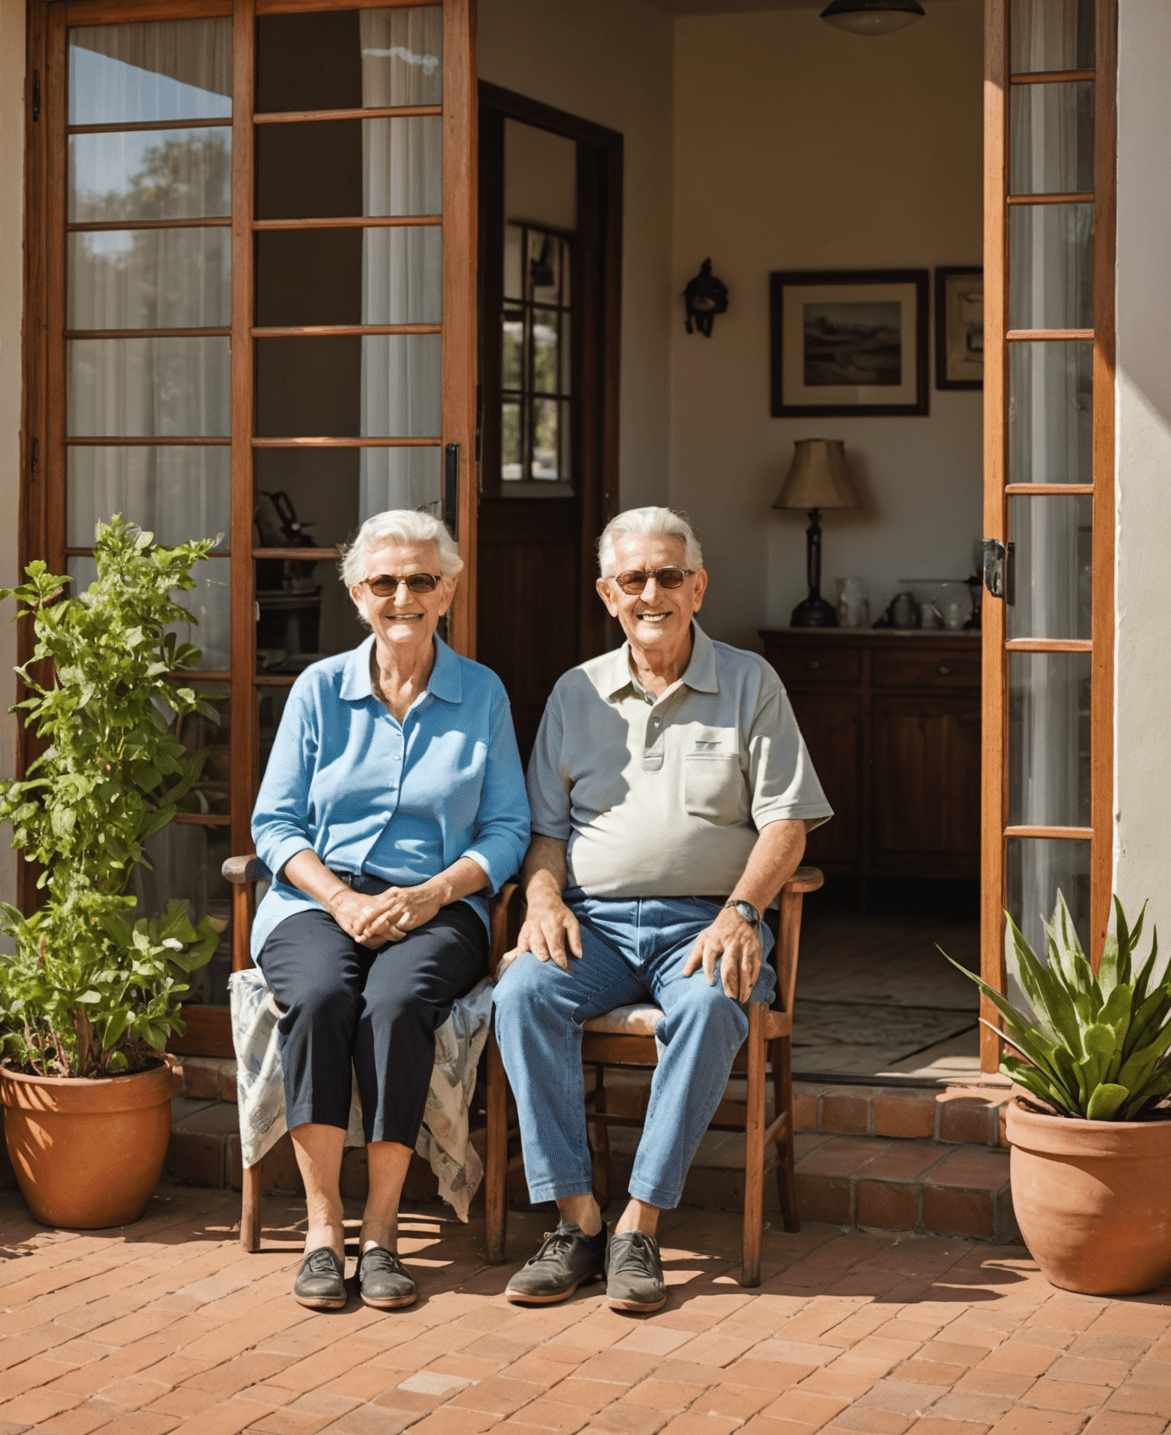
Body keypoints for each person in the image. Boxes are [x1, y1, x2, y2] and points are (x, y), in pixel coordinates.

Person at [492, 506, 832, 1313]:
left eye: (669, 576)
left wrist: (742, 913)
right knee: (520, 993)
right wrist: (541, 897)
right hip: (594, 925)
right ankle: (576, 1220)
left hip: (703, 924)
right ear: (609, 594)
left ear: (698, 587)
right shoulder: (576, 693)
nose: (653, 592)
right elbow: (543, 831)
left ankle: (637, 1225)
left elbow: (787, 823)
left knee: (717, 1007)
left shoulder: (751, 681)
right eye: (635, 579)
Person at [250, 508, 530, 1313]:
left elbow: (508, 827)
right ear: (357, 594)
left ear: (448, 590)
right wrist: (339, 900)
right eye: (383, 581)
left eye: (420, 580)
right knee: (323, 996)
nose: (401, 596)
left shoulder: (481, 694)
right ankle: (321, 1229)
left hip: (437, 903)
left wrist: (434, 892)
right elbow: (275, 823)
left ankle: (380, 1235)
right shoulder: (318, 691)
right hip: (317, 897)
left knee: (396, 1003)